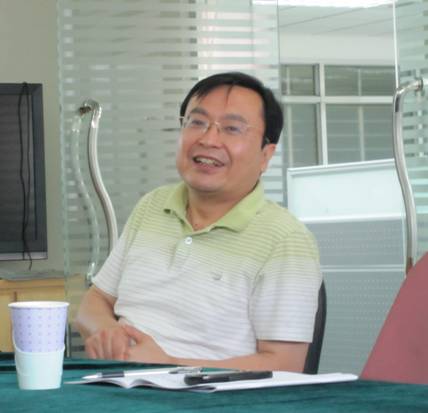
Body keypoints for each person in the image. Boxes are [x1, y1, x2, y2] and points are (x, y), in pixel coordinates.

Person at [75, 72, 322, 372]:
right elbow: (94, 301)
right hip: (117, 382)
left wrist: (168, 365)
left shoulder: (286, 240)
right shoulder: (152, 205)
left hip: (205, 394)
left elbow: (284, 365)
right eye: (197, 122)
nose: (208, 139)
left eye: (232, 128)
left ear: (265, 155)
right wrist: (108, 333)